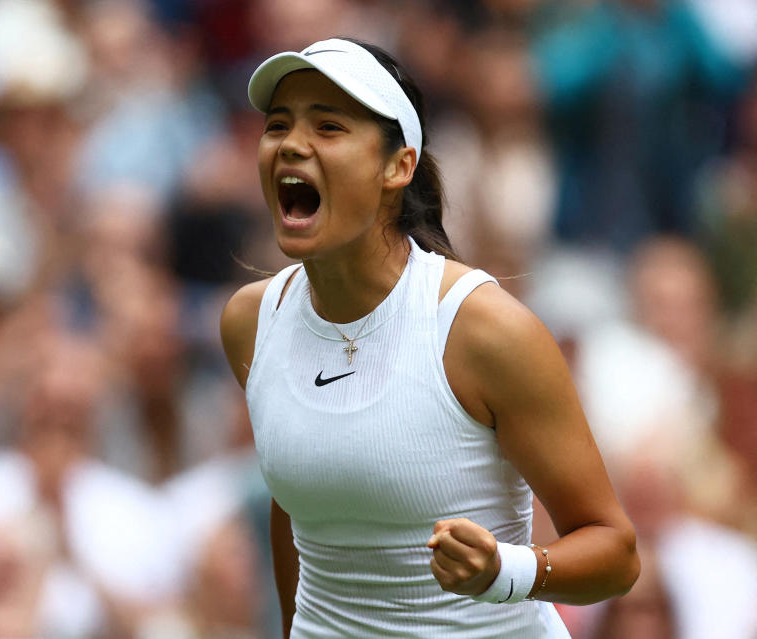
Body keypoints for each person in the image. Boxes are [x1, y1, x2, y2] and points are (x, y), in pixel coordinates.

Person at [219, 38, 639, 637]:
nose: (291, 144)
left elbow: (616, 554)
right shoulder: (249, 323)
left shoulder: (485, 331)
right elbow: (298, 506)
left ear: (399, 166)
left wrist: (507, 570)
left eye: (329, 126)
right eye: (278, 125)